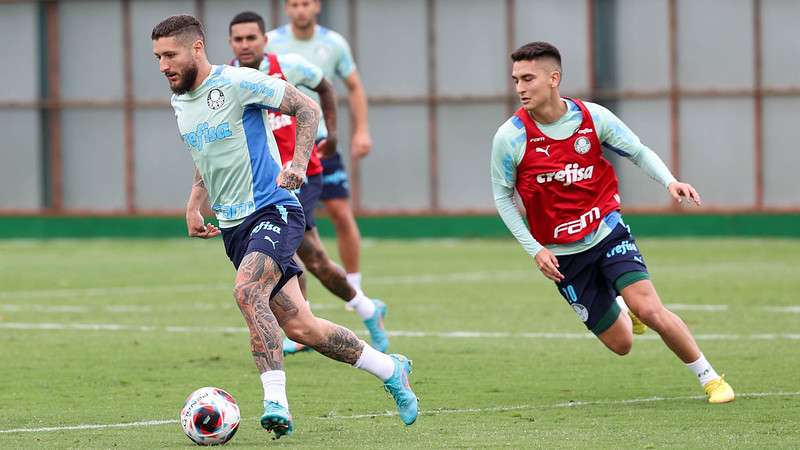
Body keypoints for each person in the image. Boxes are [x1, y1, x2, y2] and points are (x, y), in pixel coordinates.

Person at [152, 15, 418, 439]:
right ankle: (391, 369)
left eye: (170, 55)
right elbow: (205, 154)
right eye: (158, 57)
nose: (163, 65)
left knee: (246, 290)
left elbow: (306, 107)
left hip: (273, 209)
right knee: (302, 327)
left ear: (196, 48)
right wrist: (194, 202)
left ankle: (276, 400)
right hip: (235, 227)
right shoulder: (180, 101)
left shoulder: (237, 82)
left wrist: (296, 164)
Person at [491, 41, 734, 404]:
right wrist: (535, 249)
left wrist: (670, 181)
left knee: (649, 308)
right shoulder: (510, 137)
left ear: (554, 78)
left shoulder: (593, 118)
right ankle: (618, 305)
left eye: (528, 78)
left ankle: (710, 378)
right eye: (515, 80)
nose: (520, 88)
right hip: (563, 256)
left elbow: (637, 151)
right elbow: (502, 197)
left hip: (606, 230)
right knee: (622, 345)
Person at [228, 11, 388, 354]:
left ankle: (328, 320)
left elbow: (325, 89)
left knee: (303, 258)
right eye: (238, 39)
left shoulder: (290, 67)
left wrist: (330, 134)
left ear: (264, 40)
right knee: (305, 259)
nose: (245, 45)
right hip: (261, 186)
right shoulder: (226, 82)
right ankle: (360, 311)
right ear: (230, 43)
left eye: (251, 38)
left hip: (301, 176)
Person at [267, 0, 371, 296]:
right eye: (294, 4)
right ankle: (304, 311)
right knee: (293, 226)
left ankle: (354, 288)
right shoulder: (271, 42)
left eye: (306, 3)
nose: (301, 9)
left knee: (340, 212)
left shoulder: (333, 43)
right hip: (284, 148)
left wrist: (361, 130)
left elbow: (353, 86)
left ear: (317, 7)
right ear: (287, 8)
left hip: (322, 144)